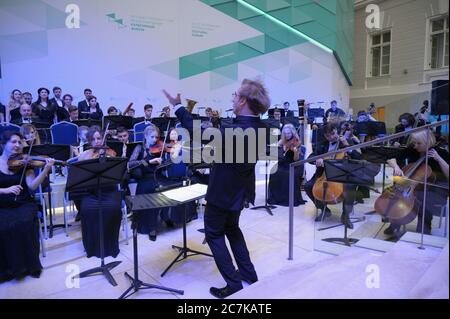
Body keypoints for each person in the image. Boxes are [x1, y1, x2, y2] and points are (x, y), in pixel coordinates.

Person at [163, 78, 270, 298]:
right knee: (232, 229)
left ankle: (233, 285)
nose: (232, 98)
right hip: (241, 192)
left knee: (213, 234)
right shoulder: (263, 127)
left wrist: (178, 107)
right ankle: (249, 274)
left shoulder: (237, 130)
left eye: (234, 94)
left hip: (223, 193)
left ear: (242, 101)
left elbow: (198, 133)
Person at [0, 131, 55, 282]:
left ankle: (29, 266)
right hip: (2, 204)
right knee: (3, 226)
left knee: (24, 223)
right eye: (13, 142)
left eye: (20, 142)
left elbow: (32, 185)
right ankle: (7, 269)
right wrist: (4, 190)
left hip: (23, 202)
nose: (17, 145)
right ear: (3, 144)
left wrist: (45, 169)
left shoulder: (25, 163)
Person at [384, 130, 449, 236]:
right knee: (395, 193)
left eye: (419, 143)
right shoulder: (413, 149)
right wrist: (396, 167)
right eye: (414, 143)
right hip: (415, 183)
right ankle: (395, 224)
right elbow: (391, 159)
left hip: (436, 186)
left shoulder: (441, 152)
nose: (415, 146)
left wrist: (438, 159)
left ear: (428, 142)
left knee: (424, 198)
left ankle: (424, 228)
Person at [71, 126, 122, 259]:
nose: (97, 142)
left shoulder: (111, 153)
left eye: (99, 138)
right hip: (90, 192)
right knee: (88, 210)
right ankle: (92, 247)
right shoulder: (84, 156)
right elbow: (79, 178)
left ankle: (111, 245)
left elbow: (117, 175)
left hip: (109, 190)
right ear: (89, 142)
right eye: (93, 139)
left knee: (114, 208)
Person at [304, 123, 361, 227]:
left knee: (351, 186)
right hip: (324, 174)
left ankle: (345, 215)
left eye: (333, 134)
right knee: (308, 186)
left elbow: (358, 158)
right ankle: (324, 210)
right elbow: (310, 158)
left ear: (337, 131)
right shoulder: (322, 144)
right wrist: (318, 159)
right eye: (327, 136)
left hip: (342, 174)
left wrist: (348, 146)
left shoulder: (346, 141)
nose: (331, 137)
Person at [128, 125, 166, 241]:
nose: (155, 139)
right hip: (144, 178)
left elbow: (162, 168)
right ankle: (148, 227)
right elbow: (130, 164)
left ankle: (158, 223)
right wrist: (147, 161)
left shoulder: (158, 148)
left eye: (156, 137)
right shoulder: (140, 148)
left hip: (156, 177)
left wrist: (162, 162)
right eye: (152, 137)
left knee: (161, 190)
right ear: (145, 136)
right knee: (149, 190)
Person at [268, 124, 305, 206]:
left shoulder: (296, 142)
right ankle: (276, 197)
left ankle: (288, 199)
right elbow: (276, 147)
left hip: (293, 164)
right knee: (274, 172)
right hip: (283, 162)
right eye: (285, 133)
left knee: (287, 175)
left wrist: (295, 152)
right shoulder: (283, 140)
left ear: (292, 133)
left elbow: (296, 159)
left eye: (288, 133)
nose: (287, 135)